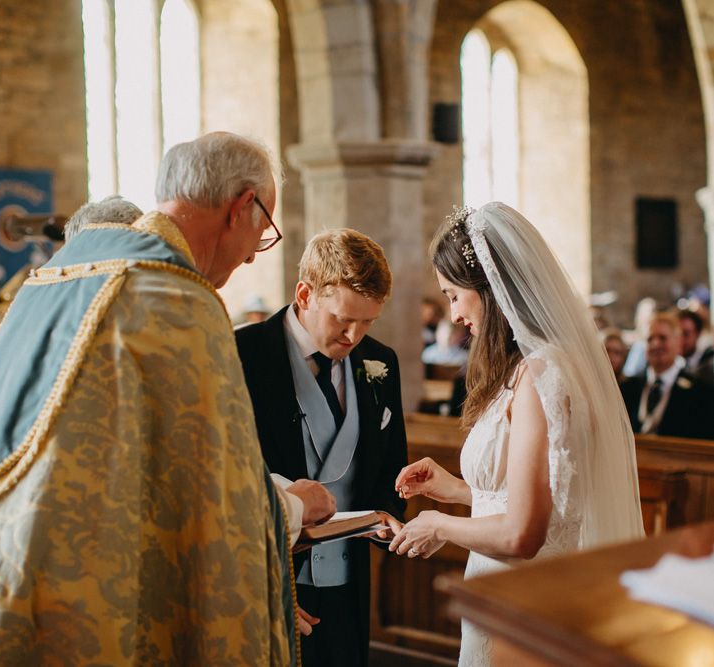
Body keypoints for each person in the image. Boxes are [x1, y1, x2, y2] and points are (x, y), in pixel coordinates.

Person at [0, 132, 335, 665]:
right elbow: (222, 504)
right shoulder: (175, 299)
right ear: (243, 207)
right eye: (262, 235)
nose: (247, 260)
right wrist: (293, 504)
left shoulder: (50, 279)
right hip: (91, 606)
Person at [388, 202, 644, 667]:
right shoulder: (543, 366)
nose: (453, 313)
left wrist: (437, 524)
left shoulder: (540, 375)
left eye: (452, 294)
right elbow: (535, 501)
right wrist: (455, 491)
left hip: (523, 598)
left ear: (488, 287)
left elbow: (524, 534)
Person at [235, 228, 408, 667]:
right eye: (342, 318)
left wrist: (388, 515)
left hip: (351, 584)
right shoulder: (241, 354)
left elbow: (390, 461)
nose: (354, 336)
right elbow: (225, 482)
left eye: (368, 321)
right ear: (305, 293)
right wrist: (261, 584)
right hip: (274, 580)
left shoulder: (380, 361)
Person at [620, 312, 714, 439]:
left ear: (679, 343)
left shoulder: (700, 391)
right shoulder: (628, 387)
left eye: (662, 338)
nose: (655, 344)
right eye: (650, 339)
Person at [678, 309, 714, 385]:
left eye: (686, 334)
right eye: (677, 334)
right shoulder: (677, 362)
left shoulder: (710, 364)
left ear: (698, 335)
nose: (680, 340)